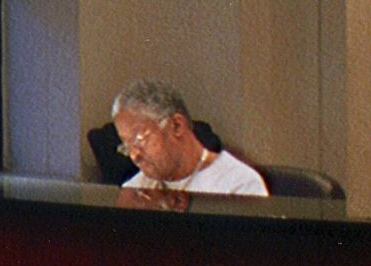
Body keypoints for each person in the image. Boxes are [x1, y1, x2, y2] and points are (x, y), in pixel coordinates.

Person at [110, 81, 267, 207]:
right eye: (126, 145)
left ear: (176, 126)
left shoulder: (239, 184)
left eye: (139, 139)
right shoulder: (136, 188)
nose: (134, 155)